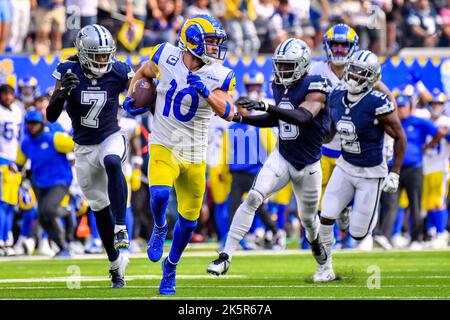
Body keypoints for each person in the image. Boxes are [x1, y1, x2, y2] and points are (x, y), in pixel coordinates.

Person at [123, 14, 236, 295]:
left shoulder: (220, 73)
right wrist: (131, 96)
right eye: (209, 42)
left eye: (215, 43)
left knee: (189, 223)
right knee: (159, 194)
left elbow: (230, 111)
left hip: (195, 153)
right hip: (164, 144)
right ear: (193, 41)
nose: (214, 48)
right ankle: (159, 227)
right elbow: (143, 72)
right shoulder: (165, 55)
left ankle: (170, 267)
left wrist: (208, 93)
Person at [206, 38, 333, 276]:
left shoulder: (316, 84)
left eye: (288, 65)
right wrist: (242, 118)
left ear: (303, 65)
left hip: (309, 165)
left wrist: (265, 106)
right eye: (281, 65)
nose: (282, 70)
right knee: (254, 196)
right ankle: (226, 256)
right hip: (283, 156)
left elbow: (302, 117)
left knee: (308, 220)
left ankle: (317, 246)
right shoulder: (278, 85)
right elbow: (277, 119)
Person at [46, 24, 134, 288]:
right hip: (83, 147)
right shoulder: (67, 70)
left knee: (112, 162)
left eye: (106, 54)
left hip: (110, 136)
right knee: (98, 208)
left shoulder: (118, 70)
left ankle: (121, 227)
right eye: (97, 55)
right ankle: (115, 265)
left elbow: (139, 92)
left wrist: (141, 98)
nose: (103, 60)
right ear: (83, 53)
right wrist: (62, 94)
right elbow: (51, 115)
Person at [316, 50, 407, 282]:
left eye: (361, 73)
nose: (354, 76)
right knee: (325, 217)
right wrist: (313, 137)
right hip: (345, 165)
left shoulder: (378, 102)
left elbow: (400, 137)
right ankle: (325, 268)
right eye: (353, 70)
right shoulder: (336, 95)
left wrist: (395, 172)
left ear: (372, 79)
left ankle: (353, 215)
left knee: (358, 234)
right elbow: (331, 132)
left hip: (371, 172)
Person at [377, 94, 445, 250]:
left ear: (410, 108)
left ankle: (416, 238)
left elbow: (439, 132)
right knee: (390, 203)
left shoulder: (418, 122)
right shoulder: (392, 122)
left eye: (403, 107)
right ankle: (386, 237)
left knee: (415, 204)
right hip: (394, 168)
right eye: (398, 107)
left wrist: (427, 147)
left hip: (414, 167)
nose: (401, 111)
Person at [16, 109, 74, 257]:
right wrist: (14, 167)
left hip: (60, 180)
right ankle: (62, 246)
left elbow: (75, 144)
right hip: (39, 182)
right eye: (29, 124)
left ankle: (67, 212)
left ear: (41, 124)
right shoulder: (26, 144)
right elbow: (19, 163)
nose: (32, 126)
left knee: (48, 209)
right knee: (42, 217)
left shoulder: (54, 138)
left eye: (35, 123)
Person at [422, 91, 450, 249]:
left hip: (440, 165)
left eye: (438, 104)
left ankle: (441, 233)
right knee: (428, 202)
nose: (435, 106)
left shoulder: (446, 121)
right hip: (426, 165)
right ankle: (432, 233)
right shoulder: (425, 119)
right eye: (433, 103)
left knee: (438, 202)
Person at [0, 84, 23, 256]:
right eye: (5, 94)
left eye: (10, 94)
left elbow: (20, 137)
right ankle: (1, 240)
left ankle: (7, 240)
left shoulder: (17, 110)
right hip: (2, 162)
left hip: (14, 163)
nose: (8, 97)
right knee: (2, 203)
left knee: (10, 204)